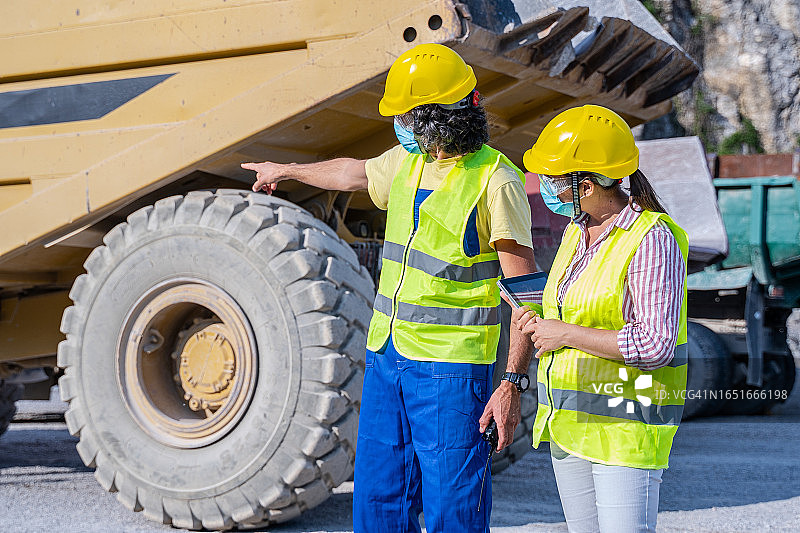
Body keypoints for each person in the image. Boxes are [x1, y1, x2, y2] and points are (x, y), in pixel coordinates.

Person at [241, 43, 536, 533]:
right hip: (387, 357)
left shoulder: (496, 181)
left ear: (433, 119)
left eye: (405, 117)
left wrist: (512, 384)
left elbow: (525, 294)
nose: (398, 127)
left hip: (451, 371)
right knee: (378, 501)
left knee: (453, 510)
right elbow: (352, 172)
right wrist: (286, 171)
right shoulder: (408, 161)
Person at [516, 104, 688, 533]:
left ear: (588, 185)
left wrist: (564, 333)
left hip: (624, 432)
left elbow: (654, 345)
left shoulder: (651, 238)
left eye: (553, 180)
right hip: (569, 425)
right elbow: (575, 310)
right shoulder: (578, 230)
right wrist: (536, 320)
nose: (544, 187)